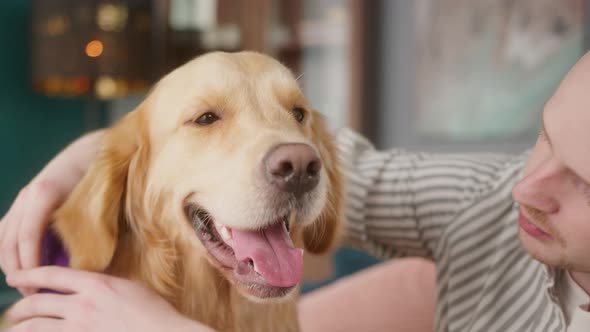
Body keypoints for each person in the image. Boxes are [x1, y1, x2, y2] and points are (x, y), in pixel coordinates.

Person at [4, 51, 590, 332]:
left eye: (584, 181)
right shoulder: (486, 200)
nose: (526, 187)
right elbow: (339, 168)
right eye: (541, 139)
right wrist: (87, 163)